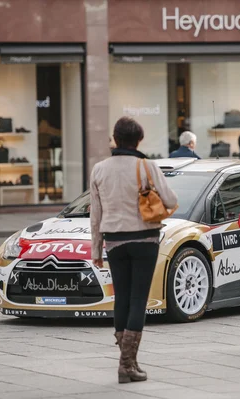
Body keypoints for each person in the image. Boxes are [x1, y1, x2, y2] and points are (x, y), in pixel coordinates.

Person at [90, 117, 178, 383]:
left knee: (122, 298)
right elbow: (171, 200)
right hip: (145, 239)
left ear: (115, 139)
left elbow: (95, 214)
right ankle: (127, 364)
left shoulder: (99, 169)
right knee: (139, 299)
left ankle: (128, 363)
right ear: (138, 140)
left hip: (114, 241)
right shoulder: (147, 166)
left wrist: (96, 249)